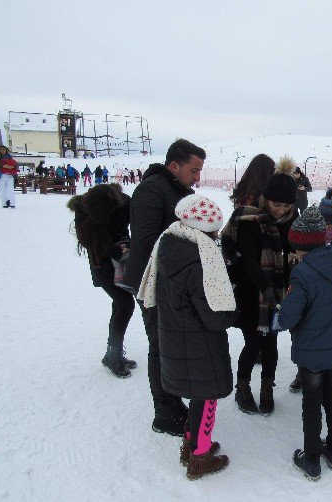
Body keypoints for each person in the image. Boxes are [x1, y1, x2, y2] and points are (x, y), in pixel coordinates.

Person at [138, 194, 236, 480]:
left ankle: (190, 444)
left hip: (177, 336)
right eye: (216, 230)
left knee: (197, 395)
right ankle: (200, 457)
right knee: (207, 398)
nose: (218, 235)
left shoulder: (169, 243)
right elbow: (214, 315)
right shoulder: (200, 260)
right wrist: (235, 313)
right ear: (206, 230)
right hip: (199, 342)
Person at [122, 138, 205, 436]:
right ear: (174, 165)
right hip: (151, 283)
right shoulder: (151, 190)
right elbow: (146, 242)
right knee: (159, 347)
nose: (197, 178)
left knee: (169, 344)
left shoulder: (175, 190)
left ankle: (172, 403)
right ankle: (165, 413)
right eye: (193, 171)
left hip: (170, 281)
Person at [278, 205, 332, 481]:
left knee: (311, 403)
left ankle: (311, 458)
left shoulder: (303, 273)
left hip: (312, 353)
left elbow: (288, 317)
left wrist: (278, 315)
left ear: (302, 245)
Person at [226, 156, 297, 416]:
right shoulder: (250, 220)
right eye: (277, 204)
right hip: (250, 291)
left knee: (271, 344)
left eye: (287, 205)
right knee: (253, 342)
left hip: (277, 292)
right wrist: (265, 286)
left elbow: (293, 254)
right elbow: (248, 260)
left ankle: (267, 386)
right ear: (267, 199)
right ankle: (242, 386)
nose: (281, 210)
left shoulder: (290, 220)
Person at [67, 184, 136, 377]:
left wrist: (128, 246)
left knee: (120, 304)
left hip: (122, 261)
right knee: (125, 305)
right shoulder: (84, 209)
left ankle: (112, 354)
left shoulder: (123, 203)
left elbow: (130, 226)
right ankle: (113, 355)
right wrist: (115, 248)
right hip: (102, 263)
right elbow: (89, 241)